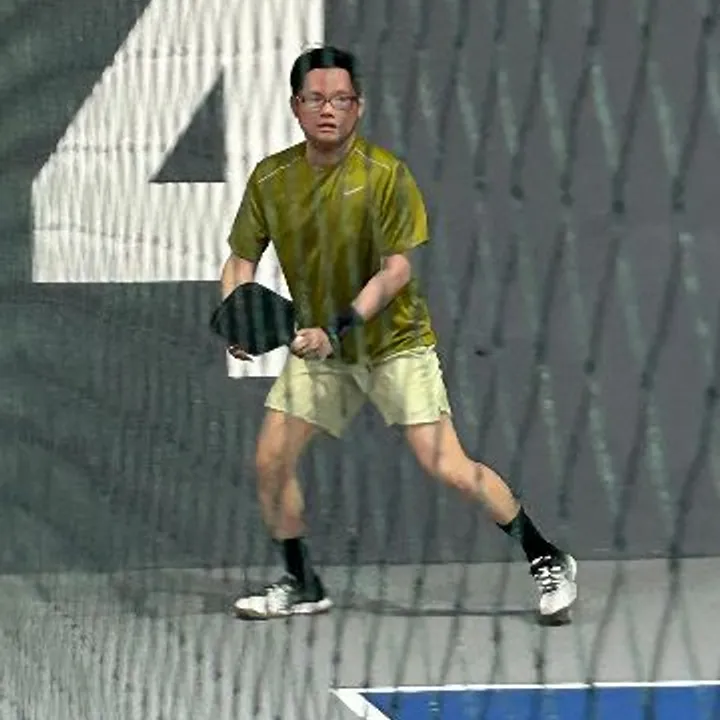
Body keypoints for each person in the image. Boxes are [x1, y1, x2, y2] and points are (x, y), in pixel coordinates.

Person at [220, 45, 578, 622]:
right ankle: (302, 582)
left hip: (394, 346)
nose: (328, 110)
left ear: (358, 107)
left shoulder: (385, 175)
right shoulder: (271, 178)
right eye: (316, 98)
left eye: (341, 99)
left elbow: (395, 271)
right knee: (270, 461)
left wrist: (335, 328)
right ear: (295, 105)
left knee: (448, 466)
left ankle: (546, 555)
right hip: (324, 355)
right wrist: (238, 316)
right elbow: (240, 260)